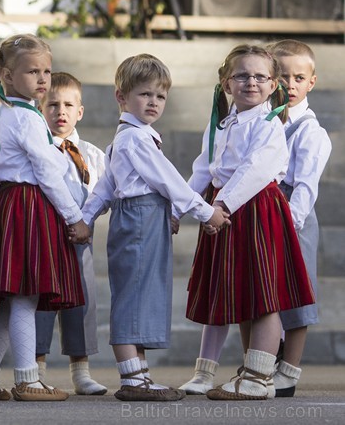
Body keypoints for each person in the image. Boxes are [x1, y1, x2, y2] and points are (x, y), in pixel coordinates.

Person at [179, 40, 331, 398]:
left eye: (260, 76)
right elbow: (205, 166)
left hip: (261, 211)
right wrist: (181, 206)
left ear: (272, 83)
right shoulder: (225, 122)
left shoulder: (270, 124)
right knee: (250, 292)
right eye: (242, 75)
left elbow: (255, 170)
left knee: (268, 294)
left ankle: (263, 377)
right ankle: (253, 371)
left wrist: (223, 207)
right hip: (233, 212)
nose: (251, 82)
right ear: (226, 81)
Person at [82, 53, 229, 402]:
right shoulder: (133, 139)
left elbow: (106, 185)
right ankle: (131, 378)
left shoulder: (134, 137)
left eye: (160, 96)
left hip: (148, 218)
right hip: (137, 221)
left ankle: (141, 375)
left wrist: (86, 218)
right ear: (122, 97)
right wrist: (205, 212)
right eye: (144, 94)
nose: (153, 102)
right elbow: (168, 181)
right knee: (133, 291)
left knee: (144, 291)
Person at [0, 35, 91, 402]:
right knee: (24, 298)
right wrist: (75, 217)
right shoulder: (26, 118)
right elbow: (48, 173)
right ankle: (27, 379)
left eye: (46, 71)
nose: (42, 79)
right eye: (31, 71)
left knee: (12, 301)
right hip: (29, 207)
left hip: (8, 204)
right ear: (6, 75)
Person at [34, 72, 108, 396]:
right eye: (52, 104)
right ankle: (35, 368)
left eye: (67, 105)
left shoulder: (91, 154)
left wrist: (87, 217)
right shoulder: (36, 150)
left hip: (80, 239)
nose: (59, 112)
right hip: (44, 239)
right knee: (42, 304)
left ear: (80, 111)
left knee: (82, 303)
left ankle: (81, 371)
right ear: (40, 109)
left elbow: (106, 191)